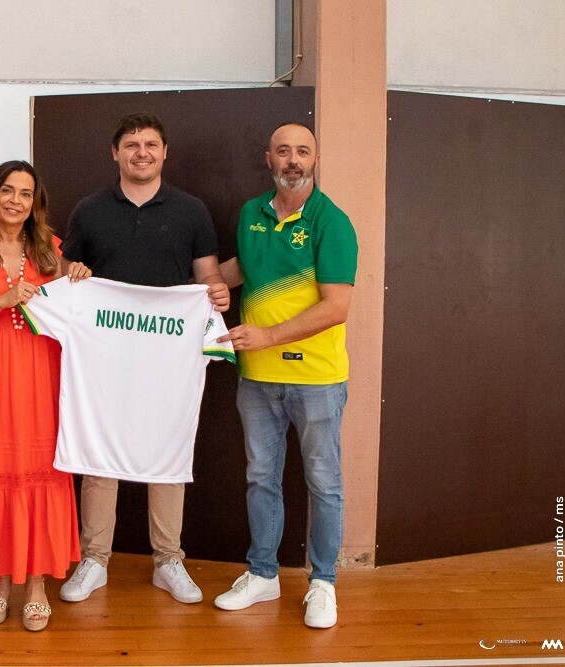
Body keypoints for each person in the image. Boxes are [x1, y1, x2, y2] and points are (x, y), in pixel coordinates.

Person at [58, 112, 230, 605]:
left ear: (164, 152)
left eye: (150, 144)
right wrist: (76, 272)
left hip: (168, 356)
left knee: (168, 453)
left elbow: (207, 278)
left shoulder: (192, 210)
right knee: (99, 453)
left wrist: (214, 296)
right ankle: (94, 559)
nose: (141, 152)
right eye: (131, 144)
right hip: (105, 356)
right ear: (116, 153)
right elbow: (67, 271)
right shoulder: (90, 210)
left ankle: (168, 560)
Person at [213, 123, 357, 629]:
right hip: (256, 379)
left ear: (315, 159)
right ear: (268, 158)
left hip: (316, 380)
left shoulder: (331, 221)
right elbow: (241, 271)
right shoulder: (252, 213)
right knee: (260, 478)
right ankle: (263, 575)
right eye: (283, 151)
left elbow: (336, 306)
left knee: (323, 483)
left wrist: (270, 336)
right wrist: (204, 285)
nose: (292, 160)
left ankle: (323, 583)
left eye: (302, 151)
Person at [0, 160, 90, 631]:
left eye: (25, 194)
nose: (15, 200)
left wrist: (80, 278)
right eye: (7, 190)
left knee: (40, 471)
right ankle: (0, 583)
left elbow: (75, 307)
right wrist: (0, 301)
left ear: (35, 204)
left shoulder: (51, 250)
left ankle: (37, 585)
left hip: (40, 376)